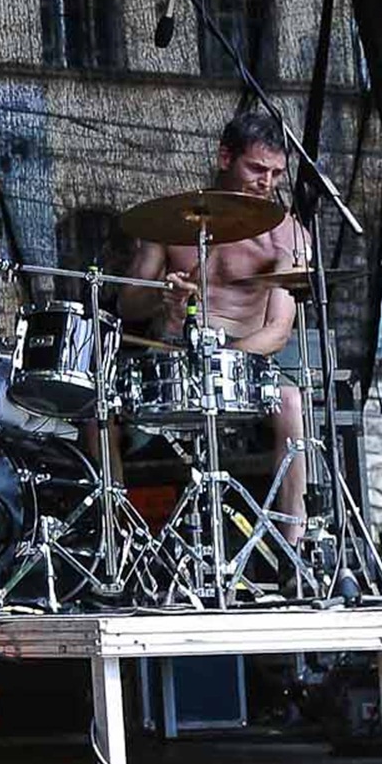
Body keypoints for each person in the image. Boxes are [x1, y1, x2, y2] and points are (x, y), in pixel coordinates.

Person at [120, 108, 312, 546]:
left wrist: (220, 360)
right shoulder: (170, 219)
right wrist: (164, 297)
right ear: (226, 157)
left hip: (243, 363)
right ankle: (117, 539)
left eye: (276, 173)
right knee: (99, 411)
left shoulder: (289, 235)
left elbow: (278, 331)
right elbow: (128, 302)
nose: (266, 183)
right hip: (171, 354)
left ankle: (295, 543)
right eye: (256, 169)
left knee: (290, 400)